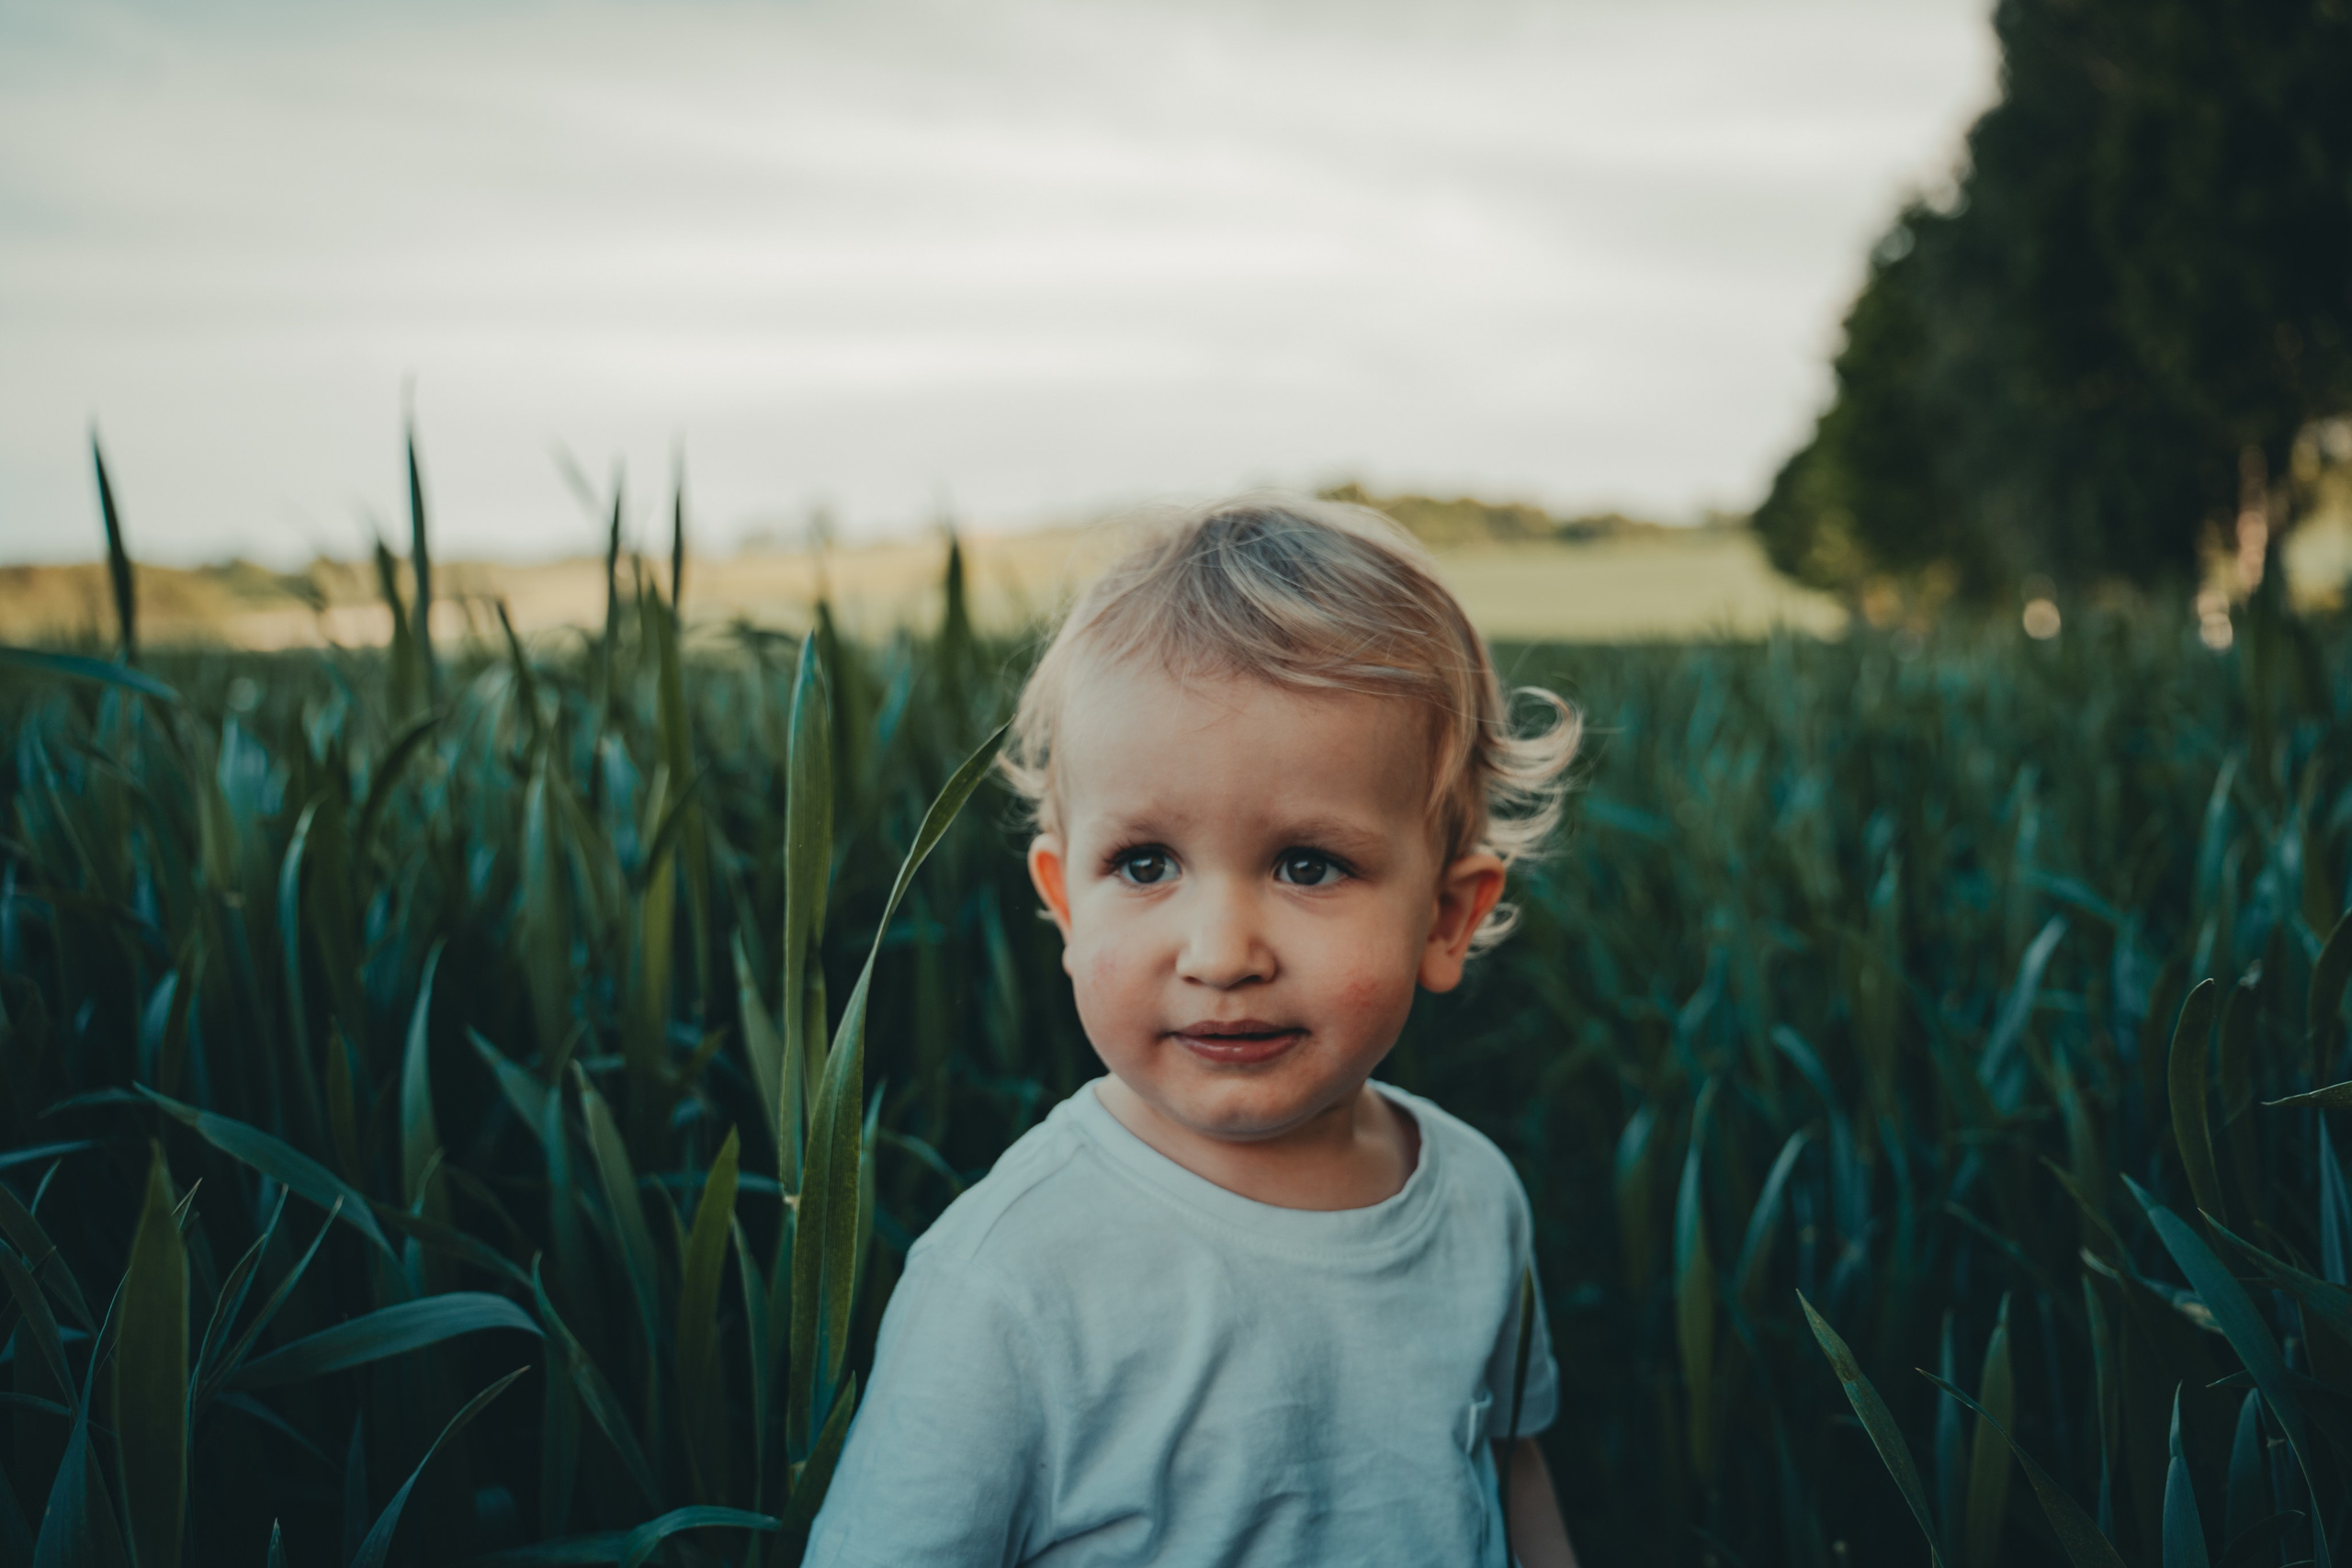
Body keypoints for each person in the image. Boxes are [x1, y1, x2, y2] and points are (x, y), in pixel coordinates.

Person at [805, 495, 1583, 1567]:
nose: (1220, 954)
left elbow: (1508, 1473)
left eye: (1309, 865)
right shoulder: (1007, 1283)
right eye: (1144, 865)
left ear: (1445, 920)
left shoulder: (1475, 1200)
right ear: (1066, 906)